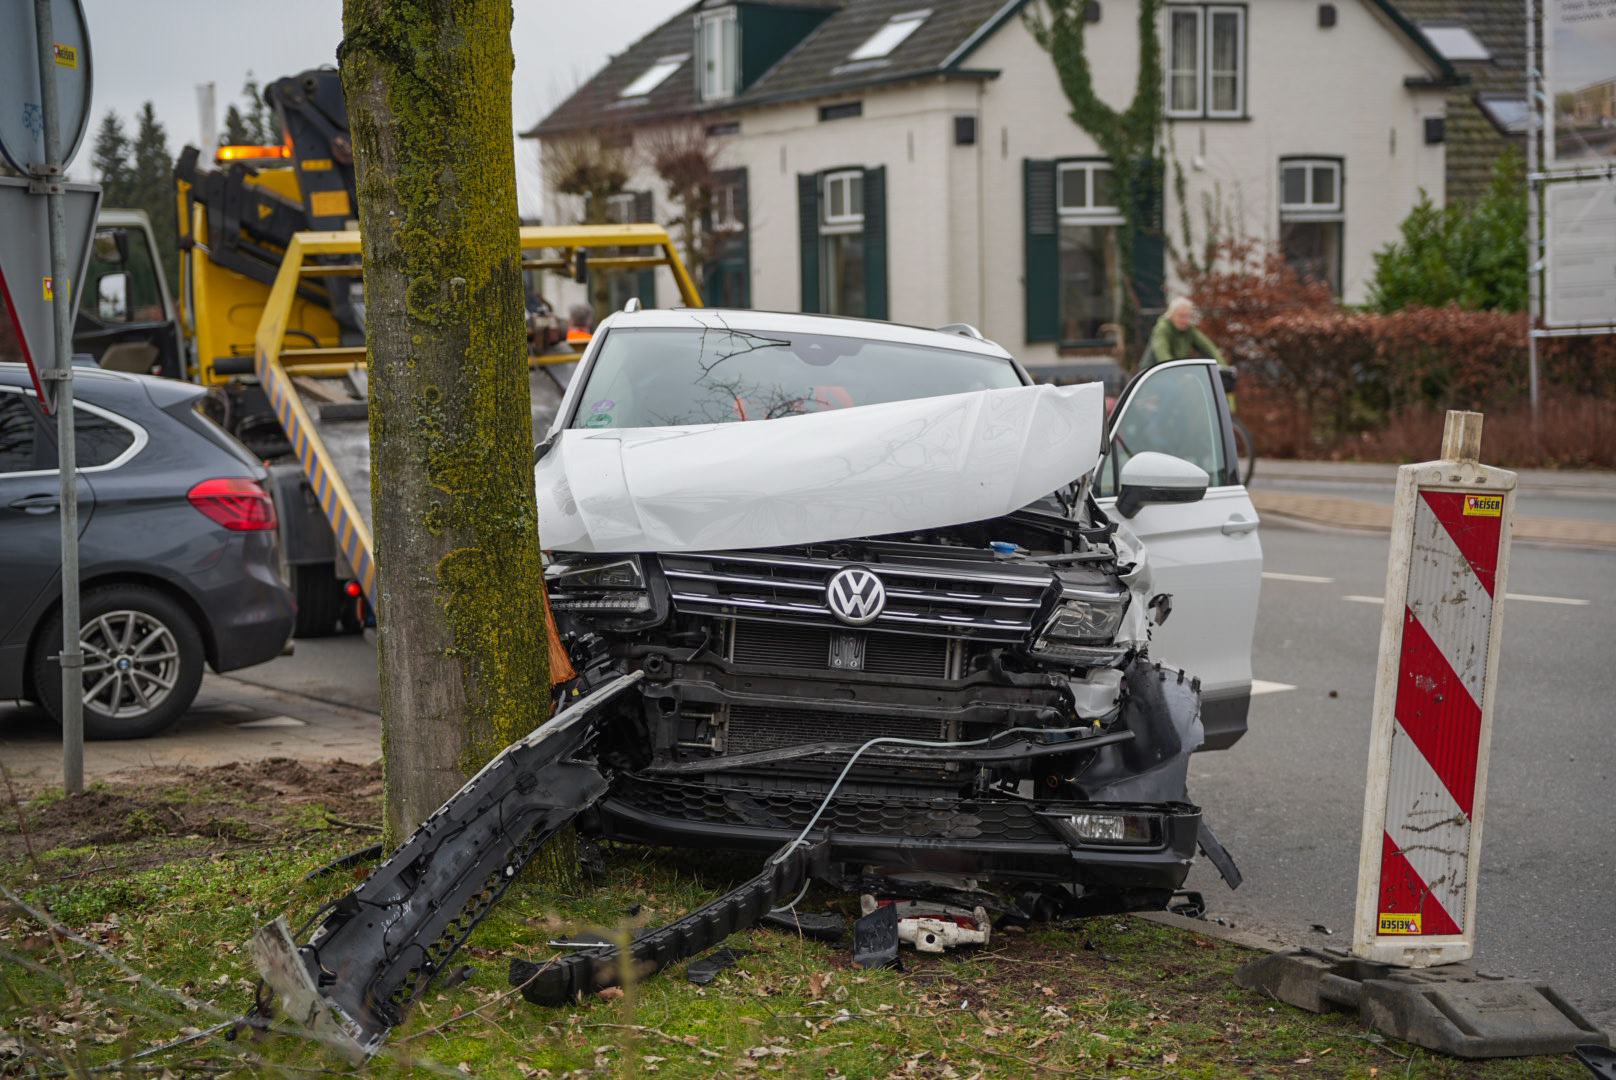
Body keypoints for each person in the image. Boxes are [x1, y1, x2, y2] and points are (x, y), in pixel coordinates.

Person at [1143, 297, 1224, 371]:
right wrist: (1176, 371)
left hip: (1172, 371)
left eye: (1187, 316)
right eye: (1181, 316)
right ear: (1171, 315)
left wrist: (1223, 367)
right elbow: (1162, 354)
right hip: (1152, 373)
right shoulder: (1163, 328)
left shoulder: (1189, 330)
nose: (1185, 320)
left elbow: (1208, 347)